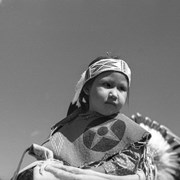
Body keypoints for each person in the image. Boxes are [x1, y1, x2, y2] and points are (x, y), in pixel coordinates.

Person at [16, 55, 180, 180]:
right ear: (87, 88)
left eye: (122, 89)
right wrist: (46, 158)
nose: (114, 94)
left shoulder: (130, 130)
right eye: (107, 85)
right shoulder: (69, 127)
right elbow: (53, 153)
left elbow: (128, 163)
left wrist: (92, 173)